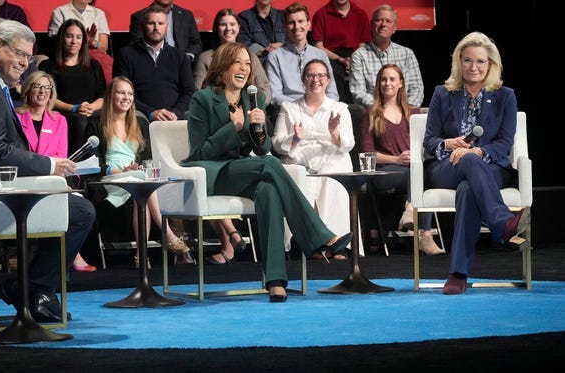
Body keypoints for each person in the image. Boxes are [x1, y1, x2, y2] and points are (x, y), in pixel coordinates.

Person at [0, 19, 96, 322]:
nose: (25, 64)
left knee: (70, 203)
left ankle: (33, 292)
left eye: (29, 58)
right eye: (20, 55)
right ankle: (33, 290)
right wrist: (51, 166)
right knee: (80, 212)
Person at [181, 41, 352, 302]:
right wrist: (234, 128)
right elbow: (200, 151)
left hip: (243, 170)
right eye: (237, 62)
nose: (243, 68)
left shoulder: (254, 98)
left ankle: (275, 281)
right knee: (272, 164)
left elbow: (261, 151)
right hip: (211, 173)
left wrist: (259, 129)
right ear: (223, 66)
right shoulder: (203, 98)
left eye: (248, 63)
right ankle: (319, 236)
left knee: (269, 190)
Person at [423, 31, 529, 295]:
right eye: (468, 61)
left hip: (490, 168)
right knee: (467, 164)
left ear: (490, 64)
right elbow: (429, 140)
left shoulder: (505, 96)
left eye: (480, 61)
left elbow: (505, 143)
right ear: (459, 63)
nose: (473, 67)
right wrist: (450, 144)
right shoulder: (442, 93)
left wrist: (477, 153)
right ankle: (502, 223)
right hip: (446, 167)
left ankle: (457, 274)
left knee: (468, 189)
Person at [85, 77, 192, 268]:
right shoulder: (97, 123)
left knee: (142, 186)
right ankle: (169, 235)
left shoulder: (140, 124)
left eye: (129, 93)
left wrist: (140, 168)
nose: (126, 97)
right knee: (142, 183)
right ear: (111, 95)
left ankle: (141, 255)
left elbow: (147, 159)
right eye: (121, 92)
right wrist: (120, 170)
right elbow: (93, 163)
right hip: (109, 180)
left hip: (136, 178)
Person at [271, 59, 362, 259]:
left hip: (330, 156)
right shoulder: (289, 108)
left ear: (328, 80)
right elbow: (277, 144)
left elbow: (349, 144)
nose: (316, 80)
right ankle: (312, 242)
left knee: (330, 175)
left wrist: (334, 132)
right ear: (303, 80)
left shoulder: (340, 108)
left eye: (321, 75)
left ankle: (335, 242)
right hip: (299, 157)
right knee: (300, 174)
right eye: (311, 75)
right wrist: (295, 137)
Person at [16, 70, 98, 272]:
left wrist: (50, 167)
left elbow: (61, 154)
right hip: (26, 179)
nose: (42, 91)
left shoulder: (59, 120)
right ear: (27, 90)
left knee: (82, 207)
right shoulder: (16, 117)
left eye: (47, 87)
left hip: (54, 176)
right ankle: (63, 259)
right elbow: (19, 154)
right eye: (37, 86)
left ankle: (63, 256)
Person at [359, 64, 444, 256]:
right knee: (420, 174)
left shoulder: (414, 113)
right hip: (384, 172)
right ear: (378, 84)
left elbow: (427, 146)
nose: (387, 83)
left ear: (401, 84)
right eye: (383, 79)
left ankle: (416, 219)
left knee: (423, 170)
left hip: (412, 170)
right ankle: (424, 231)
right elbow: (367, 154)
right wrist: (396, 159)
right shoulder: (370, 114)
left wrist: (414, 156)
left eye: (392, 79)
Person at [114, 5, 195, 122]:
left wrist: (175, 113)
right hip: (140, 115)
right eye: (151, 23)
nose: (156, 28)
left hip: (174, 117)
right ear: (142, 26)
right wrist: (150, 112)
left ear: (167, 27)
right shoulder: (125, 54)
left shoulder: (179, 56)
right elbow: (120, 93)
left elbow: (189, 92)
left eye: (161, 23)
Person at [39, 19, 107, 156]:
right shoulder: (48, 66)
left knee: (99, 120)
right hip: (65, 113)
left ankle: (101, 167)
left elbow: (104, 96)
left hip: (90, 111)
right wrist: (75, 108)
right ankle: (75, 168)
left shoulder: (94, 66)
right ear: (62, 38)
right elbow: (48, 97)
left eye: (78, 37)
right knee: (80, 121)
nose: (74, 41)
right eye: (69, 36)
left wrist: (91, 107)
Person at [265, 2, 338, 123]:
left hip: (321, 110)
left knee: (352, 110)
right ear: (285, 26)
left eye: (300, 21)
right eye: (291, 23)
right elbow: (275, 96)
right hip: (291, 111)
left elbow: (332, 93)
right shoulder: (275, 56)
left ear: (308, 24)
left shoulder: (320, 55)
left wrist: (321, 107)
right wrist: (302, 106)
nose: (296, 26)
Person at [349, 4, 424, 109]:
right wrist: (385, 109)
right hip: (374, 114)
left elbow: (417, 89)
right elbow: (358, 93)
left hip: (405, 113)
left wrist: (404, 109)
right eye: (379, 20)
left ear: (394, 28)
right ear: (371, 25)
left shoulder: (407, 54)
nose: (383, 24)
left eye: (388, 21)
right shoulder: (359, 56)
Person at [312, 0, 372, 104]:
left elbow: (363, 43)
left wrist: (353, 60)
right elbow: (318, 46)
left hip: (355, 55)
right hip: (331, 56)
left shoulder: (360, 14)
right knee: (333, 72)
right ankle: (340, 108)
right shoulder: (321, 14)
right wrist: (341, 59)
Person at [194, 7, 271, 105]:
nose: (228, 28)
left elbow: (264, 89)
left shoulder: (250, 56)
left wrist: (251, 107)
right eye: (223, 25)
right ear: (216, 29)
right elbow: (197, 91)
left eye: (232, 24)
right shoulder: (206, 58)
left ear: (238, 28)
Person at [48, 0, 114, 80]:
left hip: (94, 56)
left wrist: (92, 42)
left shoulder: (99, 14)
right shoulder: (59, 12)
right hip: (69, 55)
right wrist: (82, 41)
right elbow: (55, 42)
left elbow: (104, 46)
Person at [129, 0, 202, 66]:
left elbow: (196, 44)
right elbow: (137, 44)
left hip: (182, 66)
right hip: (153, 65)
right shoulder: (140, 16)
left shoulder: (186, 15)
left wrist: (186, 57)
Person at [238, 0, 286, 65]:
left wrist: (282, 46)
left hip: (283, 63)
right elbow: (244, 43)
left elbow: (293, 40)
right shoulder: (244, 17)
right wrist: (266, 50)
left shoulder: (283, 16)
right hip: (258, 64)